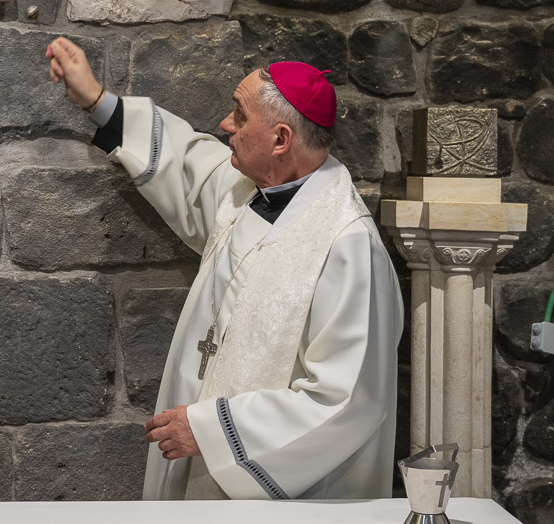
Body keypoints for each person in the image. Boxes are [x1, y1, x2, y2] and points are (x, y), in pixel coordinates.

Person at [43, 40, 402, 500]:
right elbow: (186, 164)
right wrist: (96, 100)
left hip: (286, 505)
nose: (225, 125)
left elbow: (346, 399)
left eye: (240, 115)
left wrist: (213, 430)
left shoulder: (347, 245)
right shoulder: (249, 189)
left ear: (280, 140)